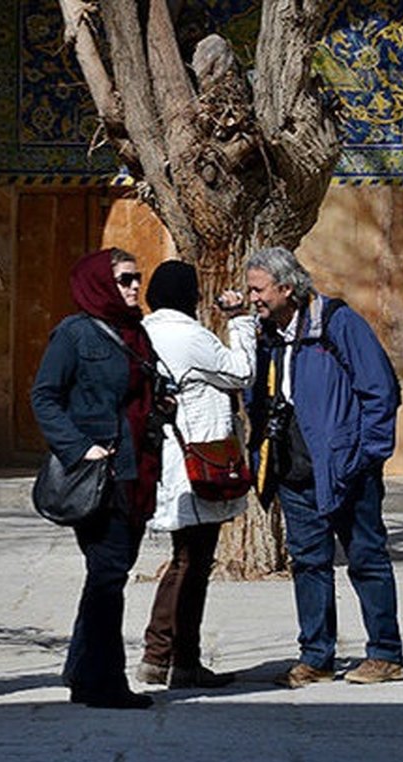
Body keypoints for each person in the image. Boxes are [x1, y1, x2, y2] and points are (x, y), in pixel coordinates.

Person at [244, 247, 403, 688]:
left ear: (286, 288)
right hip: (294, 472)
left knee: (366, 558)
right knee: (308, 562)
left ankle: (386, 653)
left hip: (346, 468)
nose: (253, 297)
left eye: (259, 289)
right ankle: (316, 656)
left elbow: (380, 392)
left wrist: (366, 455)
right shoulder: (268, 334)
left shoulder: (338, 324)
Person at [30, 248, 163, 709]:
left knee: (108, 576)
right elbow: (44, 396)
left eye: (137, 277)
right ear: (100, 283)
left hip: (137, 472)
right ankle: (106, 682)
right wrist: (78, 447)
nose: (133, 287)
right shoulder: (74, 334)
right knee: (107, 576)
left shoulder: (135, 332)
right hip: (100, 473)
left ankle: (84, 673)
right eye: (125, 279)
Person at [133, 260, 256, 689]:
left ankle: (178, 657)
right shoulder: (188, 335)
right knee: (191, 560)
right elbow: (242, 372)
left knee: (190, 557)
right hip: (197, 460)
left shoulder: (145, 331)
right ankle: (163, 655)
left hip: (165, 457)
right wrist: (240, 322)